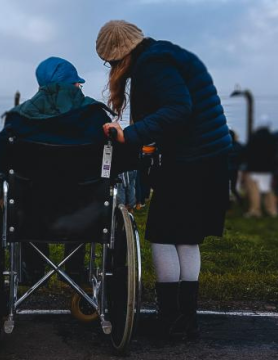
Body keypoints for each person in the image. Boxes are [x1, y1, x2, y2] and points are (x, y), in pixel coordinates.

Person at [96, 20, 231, 338]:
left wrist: (129, 135)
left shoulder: (152, 64)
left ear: (121, 55)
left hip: (191, 159)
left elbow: (178, 107)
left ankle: (170, 318)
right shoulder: (164, 55)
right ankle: (186, 319)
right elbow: (181, 110)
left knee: (162, 234)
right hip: (207, 157)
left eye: (111, 62)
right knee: (185, 236)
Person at [0, 57, 134, 285]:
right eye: (78, 83)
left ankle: (34, 269)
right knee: (82, 194)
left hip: (30, 213)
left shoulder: (19, 119)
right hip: (85, 213)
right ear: (74, 85)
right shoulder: (95, 116)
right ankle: (74, 270)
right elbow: (120, 159)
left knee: (26, 198)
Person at [243, 125, 278, 218]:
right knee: (268, 190)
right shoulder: (272, 139)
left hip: (254, 169)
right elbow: (276, 153)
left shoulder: (254, 138)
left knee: (255, 191)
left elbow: (247, 152)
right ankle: (272, 210)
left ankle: (255, 210)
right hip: (268, 169)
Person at [228, 129, 244, 206]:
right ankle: (241, 202)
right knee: (233, 188)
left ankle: (228, 205)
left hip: (225, 169)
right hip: (235, 169)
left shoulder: (223, 146)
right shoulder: (239, 146)